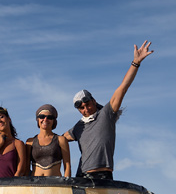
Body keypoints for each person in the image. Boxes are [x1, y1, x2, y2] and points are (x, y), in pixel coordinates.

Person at [64, 41, 154, 180]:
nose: (86, 109)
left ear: (94, 101)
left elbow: (123, 87)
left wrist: (135, 63)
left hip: (102, 174)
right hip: (82, 176)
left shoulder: (106, 114)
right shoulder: (78, 127)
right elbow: (57, 140)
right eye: (82, 108)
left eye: (88, 104)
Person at [25, 104, 71, 177]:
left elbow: (67, 165)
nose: (45, 119)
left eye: (49, 117)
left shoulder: (61, 140)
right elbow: (26, 167)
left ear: (54, 121)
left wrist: (67, 182)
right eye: (42, 116)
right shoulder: (30, 142)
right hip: (35, 182)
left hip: (55, 182)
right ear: (37, 119)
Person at [0, 106, 27, 178]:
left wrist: (12, 183)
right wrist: (0, 143)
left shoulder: (18, 143)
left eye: (1, 117)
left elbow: (21, 170)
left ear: (9, 119)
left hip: (13, 184)